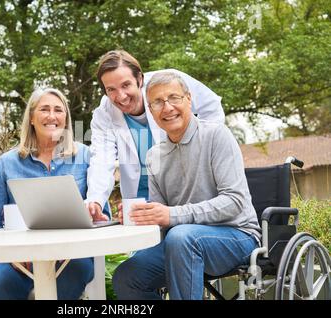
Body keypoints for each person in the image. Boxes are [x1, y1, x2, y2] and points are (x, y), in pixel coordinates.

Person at [112, 71, 261, 300]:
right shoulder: (154, 156)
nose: (167, 107)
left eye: (174, 98)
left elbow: (234, 202)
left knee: (181, 237)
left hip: (237, 236)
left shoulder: (216, 136)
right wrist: (139, 217)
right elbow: (162, 220)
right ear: (151, 111)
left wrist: (171, 215)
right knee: (127, 276)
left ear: (189, 99)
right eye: (158, 102)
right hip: (181, 244)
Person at [0, 87, 104, 300]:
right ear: (32, 118)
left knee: (74, 272)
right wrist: (14, 254)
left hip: (72, 256)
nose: (52, 116)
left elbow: (101, 212)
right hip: (20, 260)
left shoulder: (85, 155)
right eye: (44, 109)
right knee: (1, 287)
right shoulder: (7, 163)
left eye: (59, 110)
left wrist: (95, 211)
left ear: (66, 118)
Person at [86, 50, 225, 220]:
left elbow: (212, 107)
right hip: (141, 195)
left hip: (182, 188)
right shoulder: (104, 114)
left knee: (179, 237)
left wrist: (198, 151)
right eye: (111, 89)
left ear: (140, 79)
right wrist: (95, 200)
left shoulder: (168, 83)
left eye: (126, 85)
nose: (120, 96)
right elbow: (101, 158)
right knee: (144, 246)